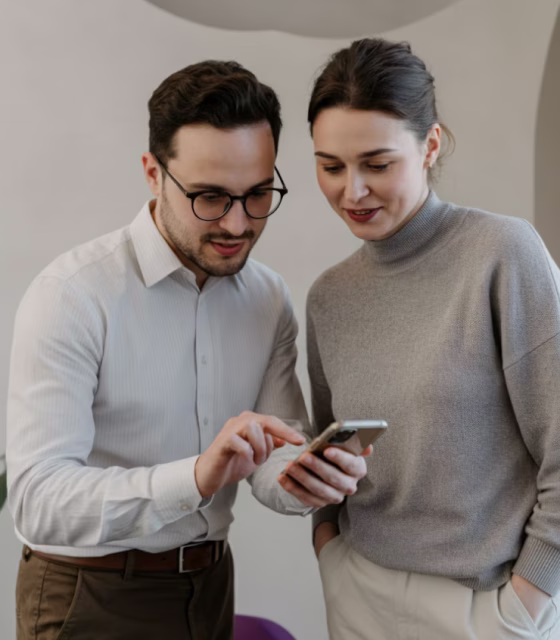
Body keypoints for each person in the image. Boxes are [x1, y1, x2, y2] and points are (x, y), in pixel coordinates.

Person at [6, 60, 368, 640]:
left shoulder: (266, 296)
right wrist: (198, 477)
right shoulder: (71, 296)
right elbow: (39, 502)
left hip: (211, 586)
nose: (236, 223)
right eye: (209, 197)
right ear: (153, 173)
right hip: (89, 595)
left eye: (256, 195)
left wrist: (309, 476)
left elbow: (275, 456)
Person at [280, 38, 560, 639]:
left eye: (377, 164)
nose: (352, 191)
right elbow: (337, 451)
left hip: (486, 603)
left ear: (430, 146)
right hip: (359, 590)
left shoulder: (503, 255)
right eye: (330, 166)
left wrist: (532, 595)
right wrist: (328, 545)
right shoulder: (330, 296)